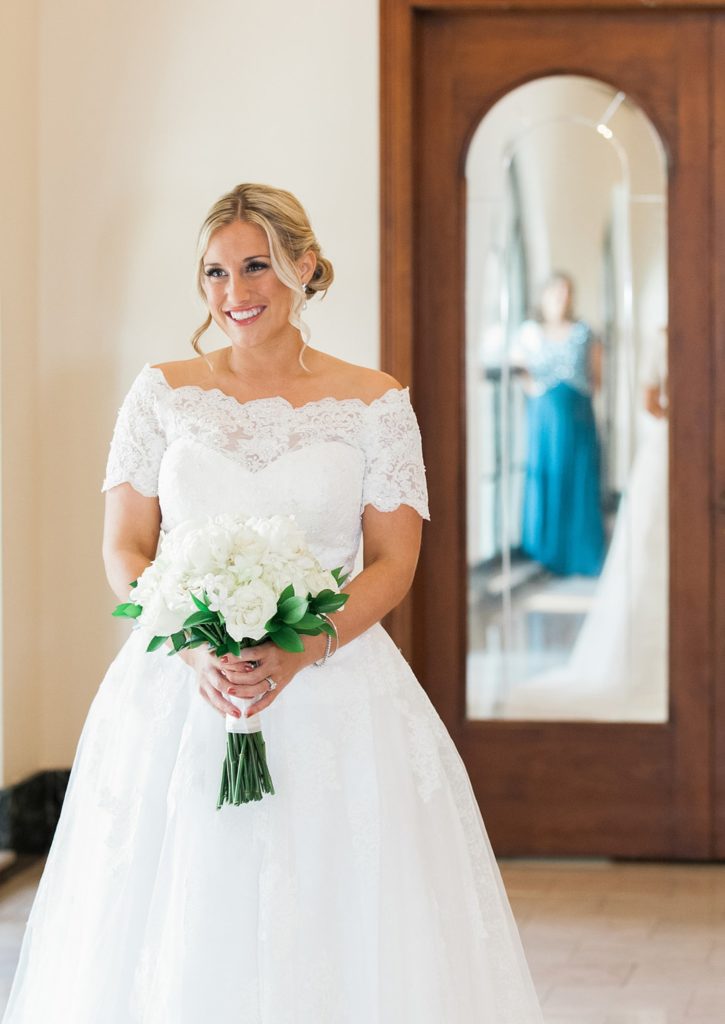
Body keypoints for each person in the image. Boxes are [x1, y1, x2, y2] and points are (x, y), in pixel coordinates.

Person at [2, 184, 543, 1022]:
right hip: (180, 689)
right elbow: (124, 548)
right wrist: (190, 645)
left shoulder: (374, 403)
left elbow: (394, 562)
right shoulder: (162, 394)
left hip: (335, 691)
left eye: (255, 265)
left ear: (306, 267)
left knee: (336, 906)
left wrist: (303, 647)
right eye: (214, 272)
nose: (234, 292)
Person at [513, 272, 605, 576]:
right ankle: (545, 552)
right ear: (543, 296)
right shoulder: (529, 332)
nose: (560, 298)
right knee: (546, 475)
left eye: (566, 292)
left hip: (577, 415)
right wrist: (537, 392)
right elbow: (519, 369)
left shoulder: (583, 331)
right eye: (555, 292)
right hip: (544, 419)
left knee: (579, 478)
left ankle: (580, 552)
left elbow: (596, 376)